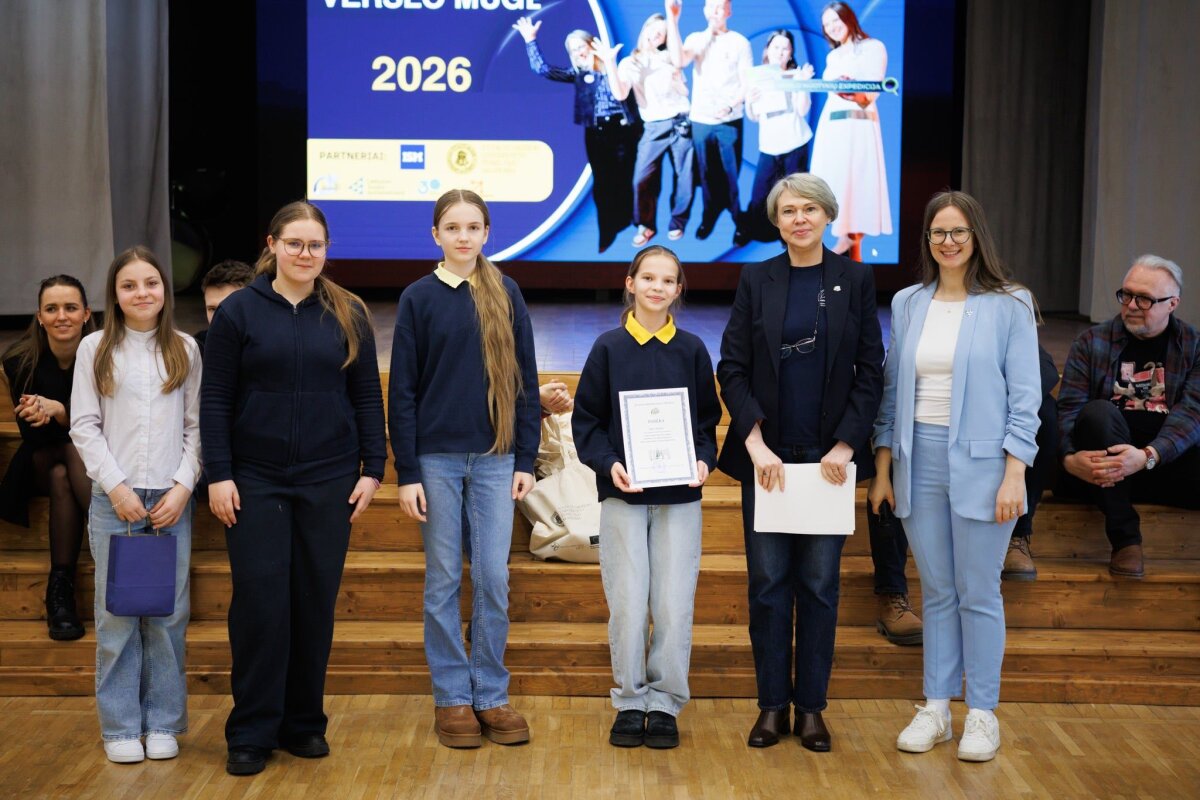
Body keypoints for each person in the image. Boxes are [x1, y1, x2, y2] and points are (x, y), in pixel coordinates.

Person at [201, 202, 386, 776]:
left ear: (327, 250)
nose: (306, 254)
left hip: (329, 479)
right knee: (260, 607)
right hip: (253, 480)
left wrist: (374, 468)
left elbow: (365, 395)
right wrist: (219, 473)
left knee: (313, 603)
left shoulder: (349, 312)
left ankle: (303, 723)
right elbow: (215, 399)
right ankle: (251, 730)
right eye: (295, 243)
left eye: (316, 245)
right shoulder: (238, 312)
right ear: (273, 245)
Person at [870, 191, 1040, 763]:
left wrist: (1015, 473)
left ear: (976, 237)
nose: (948, 241)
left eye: (958, 231)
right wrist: (884, 467)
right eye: (938, 232)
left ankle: (983, 714)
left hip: (987, 466)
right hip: (917, 460)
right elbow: (893, 389)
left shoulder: (1011, 304)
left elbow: (1026, 397)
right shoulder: (908, 302)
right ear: (927, 240)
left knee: (979, 592)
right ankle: (937, 708)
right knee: (937, 591)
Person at [717, 173, 883, 752]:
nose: (800, 219)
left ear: (828, 215)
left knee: (818, 586)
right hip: (768, 461)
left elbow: (871, 371)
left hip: (828, 461)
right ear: (777, 220)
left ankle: (811, 708)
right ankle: (771, 707)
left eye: (810, 209)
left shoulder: (854, 279)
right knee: (767, 586)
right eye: (789, 210)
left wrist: (846, 446)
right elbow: (732, 367)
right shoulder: (756, 278)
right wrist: (754, 444)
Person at [389, 189, 540, 749]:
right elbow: (402, 391)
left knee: (494, 577)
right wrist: (407, 472)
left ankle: (491, 693)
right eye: (452, 227)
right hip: (436, 461)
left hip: (497, 459)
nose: (463, 236)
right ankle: (452, 695)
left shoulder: (507, 291)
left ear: (486, 233)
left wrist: (525, 457)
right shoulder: (417, 297)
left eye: (473, 227)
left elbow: (524, 380)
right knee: (444, 579)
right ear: (436, 234)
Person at [572, 245, 720, 749]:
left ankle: (665, 703)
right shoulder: (608, 348)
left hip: (680, 497)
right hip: (624, 497)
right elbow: (587, 422)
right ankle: (631, 701)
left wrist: (703, 460)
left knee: (674, 606)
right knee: (629, 606)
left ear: (678, 290)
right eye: (649, 278)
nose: (658, 287)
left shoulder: (692, 350)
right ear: (630, 283)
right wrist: (608, 463)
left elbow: (706, 424)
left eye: (668, 280)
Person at [70, 246, 202, 764]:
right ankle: (122, 727)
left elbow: (195, 427)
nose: (141, 292)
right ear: (115, 293)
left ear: (165, 290)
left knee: (168, 615)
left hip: (170, 499)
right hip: (116, 500)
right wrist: (117, 488)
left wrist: (183, 487)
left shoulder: (184, 348)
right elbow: (85, 425)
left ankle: (164, 722)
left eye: (151, 283)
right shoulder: (95, 348)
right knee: (117, 617)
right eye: (129, 285)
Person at [1056, 255, 1200, 579]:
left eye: (1144, 299)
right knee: (1098, 414)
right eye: (1127, 295)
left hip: (1163, 465)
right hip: (1102, 470)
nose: (1132, 305)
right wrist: (1069, 459)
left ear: (1172, 303)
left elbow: (1193, 414)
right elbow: (1069, 410)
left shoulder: (1194, 346)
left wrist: (1147, 456)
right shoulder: (1091, 342)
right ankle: (1126, 540)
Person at [0, 276, 95, 641]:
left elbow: (108, 426)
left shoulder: (104, 354)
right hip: (37, 457)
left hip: (90, 459)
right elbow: (33, 438)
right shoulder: (19, 360)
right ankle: (115, 540)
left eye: (71, 307)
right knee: (62, 456)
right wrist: (49, 416)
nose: (62, 316)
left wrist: (61, 411)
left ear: (86, 313)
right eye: (51, 309)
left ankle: (60, 591)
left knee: (63, 473)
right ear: (39, 316)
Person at [514, 17, 640, 253]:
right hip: (595, 133)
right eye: (573, 50)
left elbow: (626, 94)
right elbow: (544, 70)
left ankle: (631, 223)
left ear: (592, 44)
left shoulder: (616, 67)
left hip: (623, 131)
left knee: (625, 179)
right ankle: (608, 232)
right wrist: (530, 41)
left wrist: (608, 62)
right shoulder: (579, 75)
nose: (578, 52)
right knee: (602, 184)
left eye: (581, 46)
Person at [596, 12, 694, 245]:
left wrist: (677, 80)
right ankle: (646, 225)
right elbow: (620, 93)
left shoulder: (670, 57)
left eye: (662, 34)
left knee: (685, 177)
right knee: (642, 177)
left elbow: (684, 92)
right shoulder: (630, 63)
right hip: (653, 126)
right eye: (653, 30)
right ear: (644, 29)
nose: (656, 35)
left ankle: (678, 222)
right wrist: (609, 62)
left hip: (680, 121)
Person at [808, 2, 892, 262]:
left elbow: (871, 92)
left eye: (836, 20)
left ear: (848, 18)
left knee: (857, 183)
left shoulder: (873, 47)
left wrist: (851, 89)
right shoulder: (832, 57)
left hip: (859, 124)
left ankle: (853, 247)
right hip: (832, 125)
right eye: (827, 25)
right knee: (832, 183)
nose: (832, 28)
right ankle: (843, 240)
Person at [666, 0, 752, 242]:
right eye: (711, 6)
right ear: (704, 10)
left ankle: (738, 218)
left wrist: (731, 104)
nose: (715, 11)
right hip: (701, 120)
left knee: (730, 174)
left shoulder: (739, 42)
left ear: (728, 11)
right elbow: (679, 60)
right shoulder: (696, 39)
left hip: (729, 119)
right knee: (705, 173)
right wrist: (673, 19)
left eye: (720, 6)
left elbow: (747, 81)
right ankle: (709, 215)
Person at [740, 30, 814, 245]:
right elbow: (754, 116)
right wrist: (750, 100)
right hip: (769, 146)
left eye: (785, 48)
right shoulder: (757, 77)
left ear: (791, 53)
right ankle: (755, 231)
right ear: (767, 50)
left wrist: (803, 85)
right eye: (776, 47)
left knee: (795, 196)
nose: (780, 52)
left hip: (795, 143)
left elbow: (802, 110)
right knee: (760, 196)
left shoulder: (796, 75)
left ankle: (791, 237)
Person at [1001, 345, 1059, 580]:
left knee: (1044, 411)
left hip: (1000, 409)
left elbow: (1047, 370)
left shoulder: (1004, 323)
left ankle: (1018, 533)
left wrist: (1008, 404)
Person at [194, 260, 254, 357]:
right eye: (212, 309)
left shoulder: (271, 348)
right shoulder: (197, 347)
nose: (219, 317)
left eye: (228, 308)